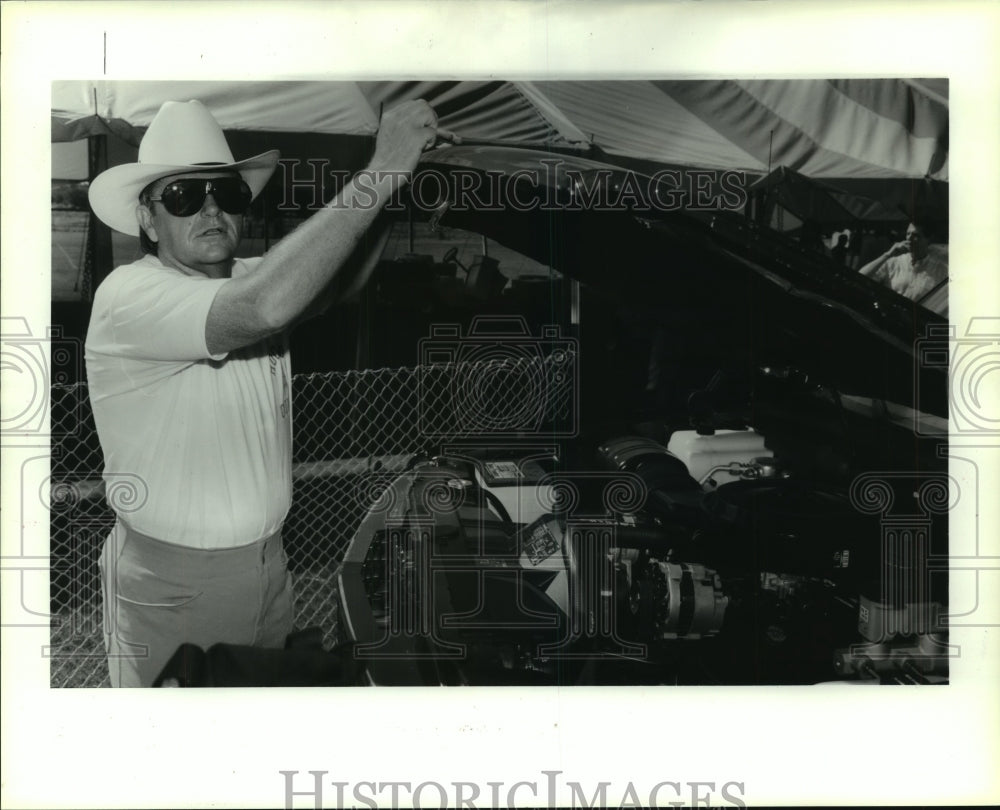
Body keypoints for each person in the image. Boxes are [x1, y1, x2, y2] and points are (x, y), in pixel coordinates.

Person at [85, 98, 441, 686]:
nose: (209, 209)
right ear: (148, 221)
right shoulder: (130, 296)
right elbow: (267, 306)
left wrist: (398, 185)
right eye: (181, 197)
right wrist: (385, 168)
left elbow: (335, 281)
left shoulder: (249, 275)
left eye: (225, 194)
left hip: (271, 564)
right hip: (176, 584)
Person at [858, 219, 948, 314]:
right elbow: (860, 277)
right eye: (908, 234)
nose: (909, 238)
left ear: (928, 239)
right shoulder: (893, 261)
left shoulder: (941, 270)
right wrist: (887, 255)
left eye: (915, 235)